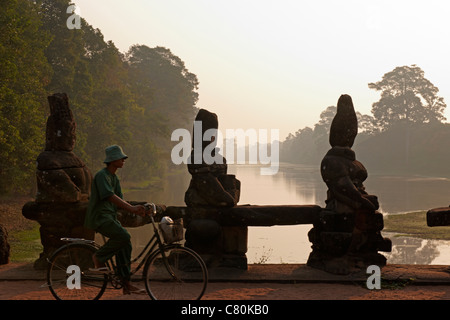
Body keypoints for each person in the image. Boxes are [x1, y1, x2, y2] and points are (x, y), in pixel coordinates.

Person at [84, 145, 147, 295]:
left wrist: (139, 208)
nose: (123, 160)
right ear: (112, 160)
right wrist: (131, 209)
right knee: (123, 236)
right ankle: (98, 257)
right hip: (100, 217)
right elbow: (110, 196)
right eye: (121, 158)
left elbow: (120, 201)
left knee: (126, 244)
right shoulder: (101, 176)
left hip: (110, 216)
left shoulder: (114, 178)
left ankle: (126, 284)